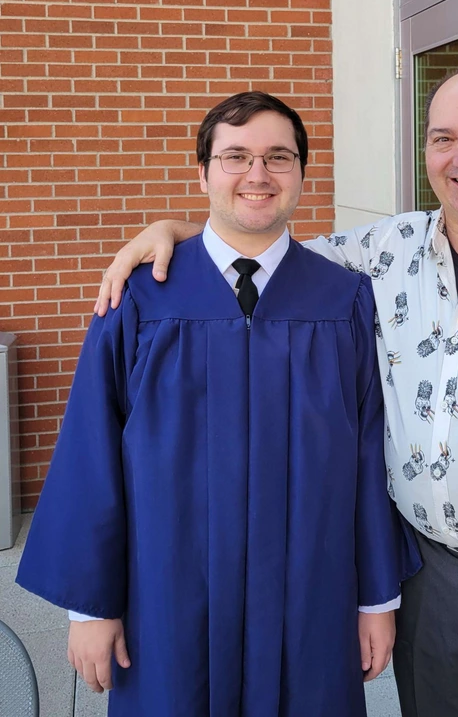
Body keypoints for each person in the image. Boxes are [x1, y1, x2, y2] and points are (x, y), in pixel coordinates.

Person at [95, 69, 458, 717]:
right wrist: (173, 229)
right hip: (428, 582)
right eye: (443, 138)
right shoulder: (388, 250)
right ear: (427, 153)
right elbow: (257, 247)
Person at [17, 91, 420, 717]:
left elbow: (371, 455)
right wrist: (92, 606)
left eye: (278, 157)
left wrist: (376, 600)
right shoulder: (138, 302)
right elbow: (90, 451)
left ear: (301, 175)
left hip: (310, 600)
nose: (257, 175)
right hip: (167, 602)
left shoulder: (344, 300)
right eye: (235, 157)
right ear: (202, 172)